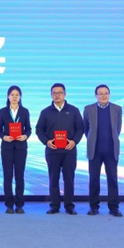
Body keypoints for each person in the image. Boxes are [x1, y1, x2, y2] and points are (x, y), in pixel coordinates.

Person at [35, 83, 84, 215]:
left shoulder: (73, 110)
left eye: (60, 92)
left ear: (65, 94)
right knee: (53, 179)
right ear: (51, 95)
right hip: (52, 151)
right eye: (54, 93)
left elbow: (80, 128)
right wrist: (46, 141)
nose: (57, 95)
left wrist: (74, 141)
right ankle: (54, 206)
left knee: (69, 179)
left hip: (69, 150)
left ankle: (69, 206)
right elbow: (39, 130)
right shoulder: (45, 112)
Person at [83, 84, 123, 217]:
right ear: (96, 96)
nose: (103, 96)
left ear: (109, 94)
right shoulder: (88, 109)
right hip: (94, 150)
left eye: (106, 93)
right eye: (100, 94)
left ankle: (114, 207)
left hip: (111, 150)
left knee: (112, 179)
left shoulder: (117, 109)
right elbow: (86, 129)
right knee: (94, 179)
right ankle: (93, 207)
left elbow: (118, 129)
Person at [0, 85, 31, 214]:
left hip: (21, 147)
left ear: (20, 97)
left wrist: (25, 136)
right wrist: (4, 136)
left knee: (20, 176)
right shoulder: (3, 111)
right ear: (8, 96)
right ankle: (9, 204)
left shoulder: (25, 111)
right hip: (7, 147)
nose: (14, 97)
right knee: (8, 176)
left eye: (17, 95)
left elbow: (28, 129)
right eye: (12, 95)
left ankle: (20, 204)